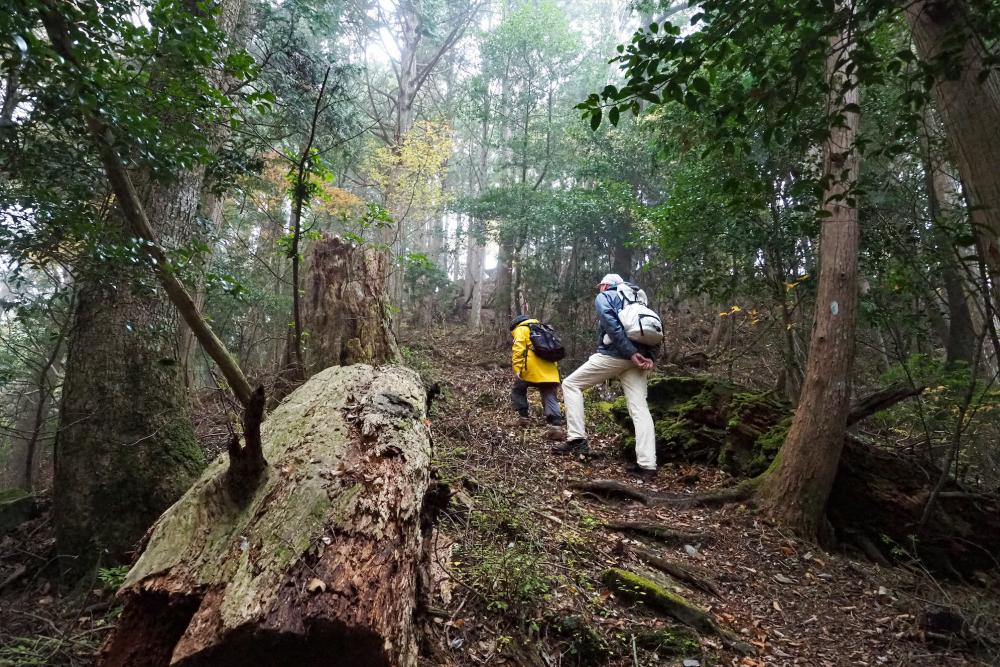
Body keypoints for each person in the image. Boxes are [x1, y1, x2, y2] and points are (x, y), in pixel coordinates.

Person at [553, 274, 658, 479]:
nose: (599, 289)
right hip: (639, 359)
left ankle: (577, 440)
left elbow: (611, 324)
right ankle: (647, 465)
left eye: (600, 286)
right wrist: (650, 357)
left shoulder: (607, 296)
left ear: (606, 285)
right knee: (640, 409)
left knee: (571, 384)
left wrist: (629, 352)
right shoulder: (639, 298)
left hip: (615, 355)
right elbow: (654, 328)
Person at [509, 315, 565, 436]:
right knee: (549, 394)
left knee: (518, 389)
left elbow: (518, 349)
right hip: (550, 369)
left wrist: (517, 368)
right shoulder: (543, 328)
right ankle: (556, 426)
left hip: (530, 368)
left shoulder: (521, 329)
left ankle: (523, 418)